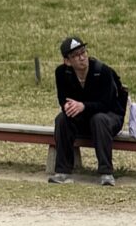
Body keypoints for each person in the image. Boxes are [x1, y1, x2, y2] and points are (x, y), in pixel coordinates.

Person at [51, 35, 128, 185]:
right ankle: (62, 171)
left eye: (83, 52)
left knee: (98, 119)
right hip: (83, 117)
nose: (82, 57)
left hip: (109, 116)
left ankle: (106, 173)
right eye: (76, 55)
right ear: (67, 61)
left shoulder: (102, 71)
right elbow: (62, 98)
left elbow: (108, 104)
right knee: (61, 119)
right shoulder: (61, 73)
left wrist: (84, 106)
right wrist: (66, 106)